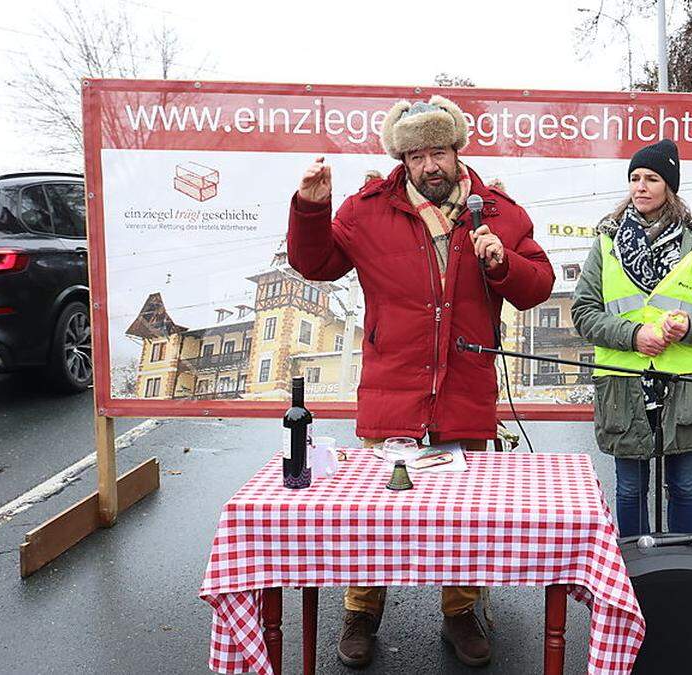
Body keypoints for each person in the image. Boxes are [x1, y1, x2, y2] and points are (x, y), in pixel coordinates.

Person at [286, 95, 555, 669]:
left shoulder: (500, 213)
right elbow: (316, 265)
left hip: (466, 388)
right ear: (402, 161)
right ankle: (361, 609)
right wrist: (311, 209)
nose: (430, 165)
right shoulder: (365, 210)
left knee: (462, 513)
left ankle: (459, 610)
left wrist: (501, 261)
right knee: (376, 512)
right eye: (416, 155)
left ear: (458, 151)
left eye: (439, 151)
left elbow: (537, 286)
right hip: (394, 391)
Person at [571, 139, 692, 538]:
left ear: (670, 186)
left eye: (651, 178)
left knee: (683, 486)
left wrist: (691, 327)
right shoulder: (607, 243)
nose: (640, 187)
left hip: (685, 386)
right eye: (634, 178)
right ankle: (634, 575)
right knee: (630, 489)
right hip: (623, 386)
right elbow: (583, 312)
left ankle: (685, 565)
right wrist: (633, 336)